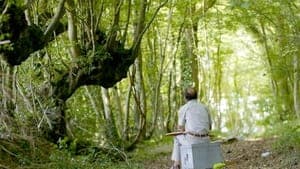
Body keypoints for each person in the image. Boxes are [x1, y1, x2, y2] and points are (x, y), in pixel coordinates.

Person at [170, 87, 212, 169]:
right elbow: (210, 126)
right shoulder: (205, 107)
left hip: (193, 140)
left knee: (177, 136)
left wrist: (186, 129)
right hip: (206, 139)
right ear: (197, 96)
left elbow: (180, 129)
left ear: (185, 97)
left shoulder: (184, 108)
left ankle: (176, 164)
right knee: (182, 136)